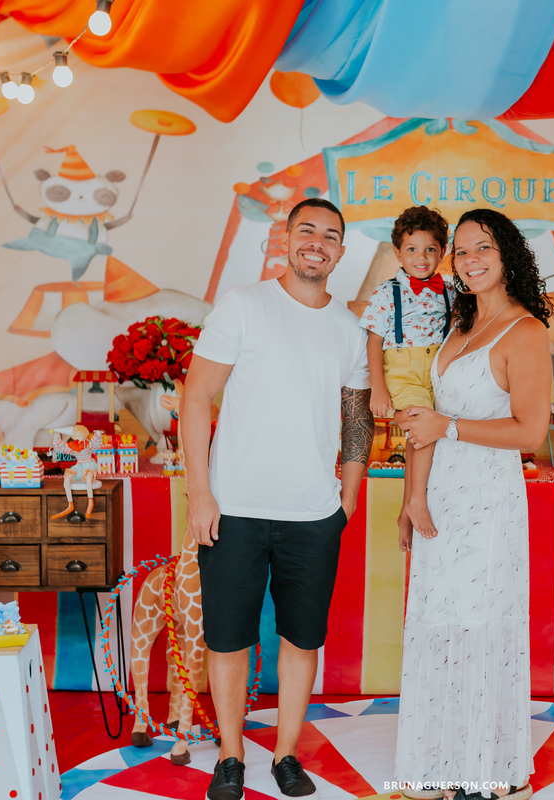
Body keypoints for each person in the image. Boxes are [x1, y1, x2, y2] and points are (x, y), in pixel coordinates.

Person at [181, 197, 374, 800]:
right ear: (285, 239)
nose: (317, 242)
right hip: (234, 508)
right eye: (307, 231)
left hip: (313, 515)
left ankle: (286, 754)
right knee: (229, 638)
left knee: (301, 639)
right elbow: (195, 398)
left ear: (341, 252)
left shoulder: (348, 328)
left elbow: (357, 420)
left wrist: (347, 497)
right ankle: (232, 755)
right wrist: (200, 494)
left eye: (330, 236)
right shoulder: (243, 306)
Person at [395, 208, 553, 800]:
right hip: (439, 496)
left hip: (487, 501)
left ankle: (483, 768)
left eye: (481, 246)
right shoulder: (457, 324)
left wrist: (449, 426)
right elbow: (420, 423)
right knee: (437, 620)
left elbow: (531, 432)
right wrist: (413, 498)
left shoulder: (526, 331)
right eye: (459, 251)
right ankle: (438, 765)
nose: (468, 259)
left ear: (506, 253)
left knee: (477, 623)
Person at [358, 206, 453, 550]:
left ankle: (405, 508)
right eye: (412, 249)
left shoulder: (450, 292)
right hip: (401, 368)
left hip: (436, 370)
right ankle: (416, 500)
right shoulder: (387, 292)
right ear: (398, 252)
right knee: (424, 426)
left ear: (443, 251)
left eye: (430, 249)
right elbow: (373, 341)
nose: (422, 257)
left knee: (419, 433)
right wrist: (378, 388)